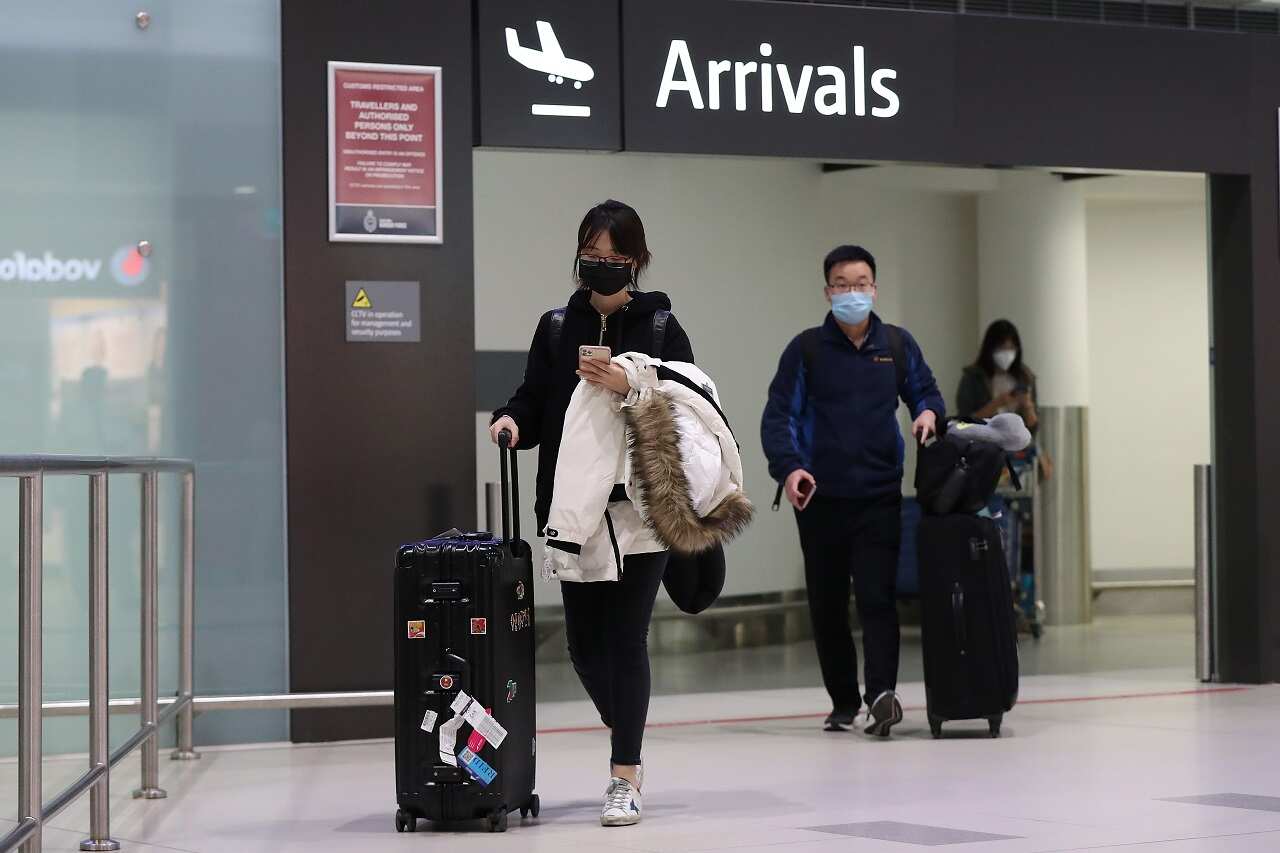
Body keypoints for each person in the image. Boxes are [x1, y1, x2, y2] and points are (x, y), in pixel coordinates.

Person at [489, 200, 694, 827]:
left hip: (640, 508)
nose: (600, 268)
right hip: (573, 509)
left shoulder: (660, 327)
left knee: (627, 638)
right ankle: (625, 722)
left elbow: (687, 401)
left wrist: (628, 381)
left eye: (614, 258)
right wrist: (512, 420)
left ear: (637, 261)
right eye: (592, 256)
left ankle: (624, 773)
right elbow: (532, 396)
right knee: (582, 645)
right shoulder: (557, 326)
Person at [761, 245, 945, 737]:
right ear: (827, 292)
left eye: (861, 283)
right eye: (842, 284)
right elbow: (779, 416)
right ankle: (844, 701)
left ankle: (881, 693)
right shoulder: (807, 349)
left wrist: (927, 412)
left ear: (875, 288)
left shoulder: (897, 345)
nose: (852, 292)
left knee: (877, 598)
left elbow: (925, 391)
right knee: (826, 604)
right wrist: (790, 469)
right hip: (819, 497)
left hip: (880, 494)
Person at [955, 319, 1053, 481]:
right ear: (990, 349)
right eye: (1001, 348)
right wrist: (997, 404)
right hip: (982, 456)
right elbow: (963, 423)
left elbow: (1033, 429)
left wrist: (1027, 406)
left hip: (1018, 459)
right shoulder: (973, 378)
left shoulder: (1025, 377)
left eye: (1011, 348)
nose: (1007, 353)